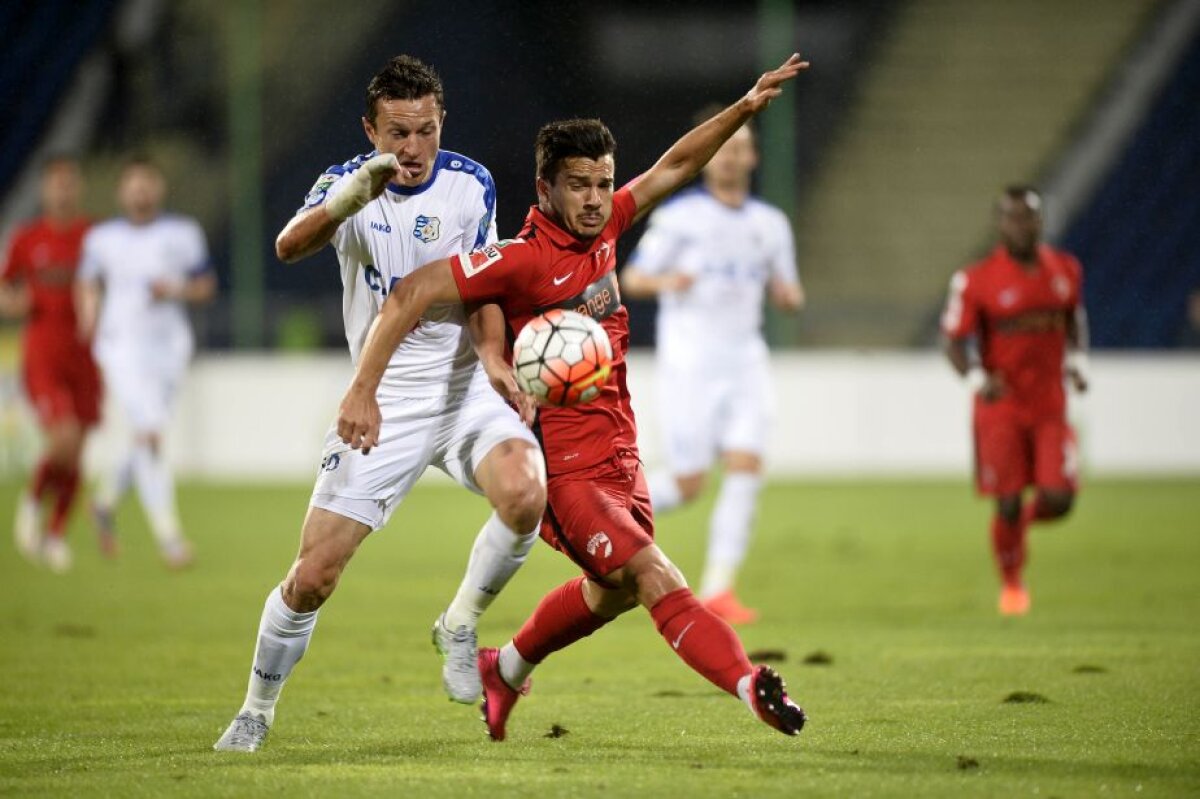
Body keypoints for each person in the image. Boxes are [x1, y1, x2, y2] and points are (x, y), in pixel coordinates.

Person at [337, 54, 811, 741]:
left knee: (613, 589)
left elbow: (674, 169)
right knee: (650, 572)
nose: (595, 198)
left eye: (603, 183)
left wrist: (742, 107)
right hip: (565, 472)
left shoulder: (611, 224)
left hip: (621, 454)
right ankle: (749, 684)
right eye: (579, 186)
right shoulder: (519, 258)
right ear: (546, 187)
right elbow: (414, 293)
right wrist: (372, 386)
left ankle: (507, 667)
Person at [213, 55, 546, 753]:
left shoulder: (468, 185)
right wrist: (350, 197)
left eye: (425, 130)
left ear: (440, 121)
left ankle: (459, 622)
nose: (412, 149)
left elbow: (481, 286)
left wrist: (493, 358)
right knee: (313, 576)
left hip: (459, 389)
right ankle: (255, 708)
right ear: (370, 129)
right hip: (380, 400)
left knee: (525, 493)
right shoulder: (347, 184)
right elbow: (287, 245)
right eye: (396, 133)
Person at [620, 109, 805, 625]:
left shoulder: (770, 225)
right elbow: (632, 278)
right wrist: (666, 283)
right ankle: (601, 517)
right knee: (688, 482)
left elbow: (789, 289)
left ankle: (720, 588)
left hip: (746, 361)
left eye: (740, 147)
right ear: (707, 159)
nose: (730, 156)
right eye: (722, 147)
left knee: (747, 468)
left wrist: (788, 296)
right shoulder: (680, 218)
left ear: (753, 157)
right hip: (691, 363)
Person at [941, 186, 1089, 616]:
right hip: (1000, 406)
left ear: (1041, 222)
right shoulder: (976, 279)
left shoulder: (1065, 270)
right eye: (1013, 218)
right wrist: (975, 378)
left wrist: (1078, 362)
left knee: (1059, 499)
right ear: (999, 224)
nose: (1022, 226)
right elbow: (951, 339)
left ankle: (1017, 528)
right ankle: (1012, 584)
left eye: (1029, 217)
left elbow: (1074, 318)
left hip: (1049, 404)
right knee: (1006, 500)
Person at [75, 156, 216, 569]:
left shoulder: (183, 233)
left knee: (144, 436)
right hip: (121, 347)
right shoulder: (101, 238)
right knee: (152, 434)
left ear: (159, 188)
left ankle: (103, 502)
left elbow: (204, 286)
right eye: (133, 183)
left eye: (147, 183)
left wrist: (175, 289)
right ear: (122, 191)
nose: (140, 190)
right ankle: (169, 538)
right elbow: (87, 282)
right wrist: (87, 319)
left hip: (170, 346)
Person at [0, 154, 101, 573]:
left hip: (85, 356)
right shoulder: (27, 238)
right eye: (56, 184)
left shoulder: (92, 236)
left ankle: (56, 535)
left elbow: (105, 284)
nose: (63, 191)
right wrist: (18, 302)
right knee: (61, 438)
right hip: (43, 355)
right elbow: (5, 291)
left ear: (76, 188)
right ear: (46, 189)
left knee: (76, 453)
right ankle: (30, 504)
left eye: (69, 183)